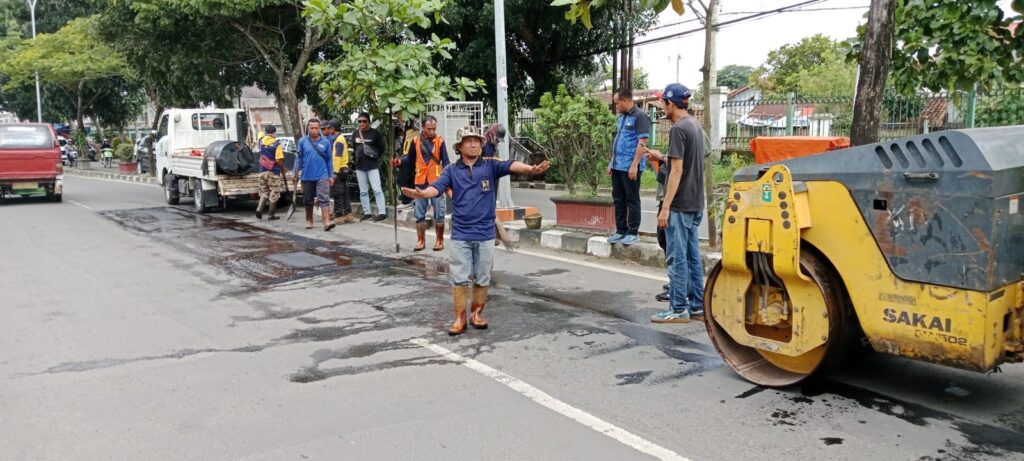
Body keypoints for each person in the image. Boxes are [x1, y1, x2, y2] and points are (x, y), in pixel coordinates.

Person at [402, 126, 550, 336]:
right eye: (468, 140)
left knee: (482, 277)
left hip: (485, 234)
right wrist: (423, 193)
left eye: (477, 140)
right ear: (460, 146)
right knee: (459, 278)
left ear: (481, 144)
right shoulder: (451, 170)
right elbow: (436, 187)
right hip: (461, 234)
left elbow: (511, 165)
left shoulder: (490, 165)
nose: (473, 144)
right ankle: (460, 317)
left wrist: (531, 169)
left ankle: (476, 314)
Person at [647, 83, 706, 324]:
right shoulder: (695, 125)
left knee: (677, 257)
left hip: (680, 204)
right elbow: (685, 162)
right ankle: (697, 305)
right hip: (695, 202)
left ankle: (678, 307)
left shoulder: (679, 129)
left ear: (670, 103)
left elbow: (677, 170)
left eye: (663, 102)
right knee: (692, 255)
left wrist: (666, 207)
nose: (662, 106)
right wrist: (661, 157)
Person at [390, 116, 449, 252]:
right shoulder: (415, 141)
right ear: (423, 127)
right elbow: (409, 159)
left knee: (439, 213)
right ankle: (420, 240)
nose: (432, 131)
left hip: (436, 183)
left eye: (434, 128)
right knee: (419, 214)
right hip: (420, 182)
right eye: (429, 129)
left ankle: (439, 240)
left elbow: (446, 163)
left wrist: (447, 182)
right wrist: (399, 162)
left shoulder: (440, 142)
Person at [608, 88, 652, 247]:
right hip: (618, 166)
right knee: (618, 199)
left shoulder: (640, 116)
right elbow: (619, 141)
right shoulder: (621, 117)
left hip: (631, 167)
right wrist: (611, 162)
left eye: (617, 103)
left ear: (625, 100)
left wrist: (634, 166)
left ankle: (633, 232)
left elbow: (642, 142)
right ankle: (621, 230)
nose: (616, 106)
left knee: (632, 199)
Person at [293, 118, 336, 232]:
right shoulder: (302, 141)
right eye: (312, 128)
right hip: (307, 175)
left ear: (319, 129)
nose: (314, 130)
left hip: (322, 174)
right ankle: (309, 220)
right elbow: (299, 158)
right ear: (308, 128)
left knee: (324, 198)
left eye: (316, 128)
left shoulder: (326, 142)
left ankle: (326, 222)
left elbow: (329, 160)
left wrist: (331, 175)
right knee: (308, 199)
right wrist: (295, 173)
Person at [352, 113, 388, 222]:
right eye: (359, 121)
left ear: (369, 122)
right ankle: (367, 212)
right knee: (363, 191)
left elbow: (381, 148)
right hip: (360, 166)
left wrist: (374, 157)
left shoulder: (375, 133)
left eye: (364, 121)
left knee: (377, 189)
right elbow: (354, 148)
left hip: (372, 166)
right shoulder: (355, 133)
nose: (362, 123)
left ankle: (382, 213)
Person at [324, 120, 356, 224]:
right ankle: (348, 214)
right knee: (344, 193)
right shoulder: (340, 139)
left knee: (337, 193)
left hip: (339, 170)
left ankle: (339, 216)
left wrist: (334, 172)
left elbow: (338, 157)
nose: (328, 130)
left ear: (333, 128)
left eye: (329, 128)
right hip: (343, 169)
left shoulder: (339, 140)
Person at [255, 125, 286, 221]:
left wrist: (258, 123)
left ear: (266, 132)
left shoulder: (261, 141)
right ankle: (271, 215)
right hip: (273, 172)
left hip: (262, 171)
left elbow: (260, 133)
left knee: (264, 191)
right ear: (274, 133)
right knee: (274, 191)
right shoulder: (277, 145)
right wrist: (283, 169)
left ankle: (259, 209)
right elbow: (278, 160)